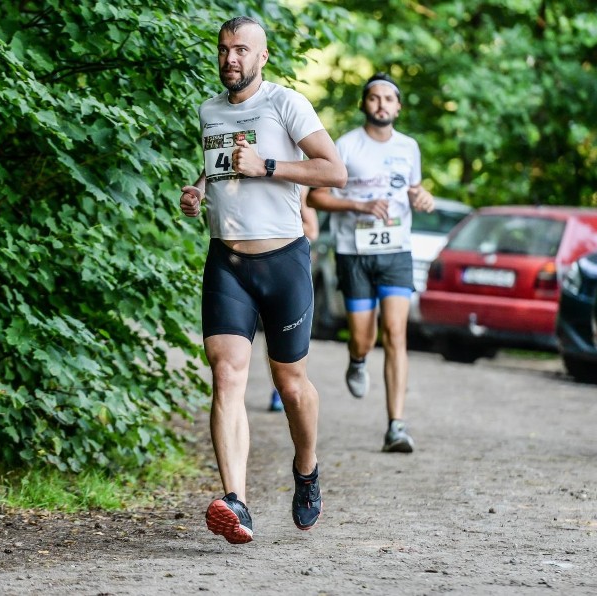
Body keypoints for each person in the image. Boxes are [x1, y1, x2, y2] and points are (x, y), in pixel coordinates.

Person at [178, 16, 346, 544]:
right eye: (225, 49)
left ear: (263, 57)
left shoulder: (286, 103)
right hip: (226, 263)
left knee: (290, 384)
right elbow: (226, 161)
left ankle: (307, 467)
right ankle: (237, 502)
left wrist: (269, 166)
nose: (231, 58)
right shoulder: (209, 110)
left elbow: (333, 170)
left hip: (283, 262)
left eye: (242, 50)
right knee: (226, 374)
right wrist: (202, 187)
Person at [307, 72, 434, 454]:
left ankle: (396, 425)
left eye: (388, 99)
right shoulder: (345, 146)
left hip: (396, 250)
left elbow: (413, 192)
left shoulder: (409, 147)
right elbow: (316, 197)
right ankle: (358, 358)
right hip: (354, 253)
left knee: (396, 333)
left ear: (398, 107)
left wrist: (423, 199)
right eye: (373, 98)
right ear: (364, 104)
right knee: (364, 336)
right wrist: (359, 205)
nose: (381, 104)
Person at [269, 186, 319, 412]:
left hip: (291, 266)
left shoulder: (299, 188)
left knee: (288, 338)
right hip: (260, 263)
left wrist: (277, 226)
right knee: (271, 336)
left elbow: (313, 230)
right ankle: (276, 388)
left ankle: (285, 388)